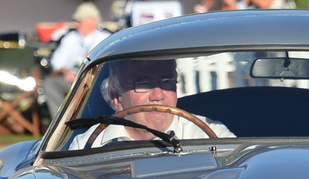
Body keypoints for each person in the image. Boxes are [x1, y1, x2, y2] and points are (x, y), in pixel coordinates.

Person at [76, 58, 233, 147]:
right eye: (143, 84)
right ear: (117, 98)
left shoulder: (209, 135)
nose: (158, 95)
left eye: (166, 82)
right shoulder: (89, 144)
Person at [46, 2, 110, 108]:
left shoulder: (104, 38)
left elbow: (109, 65)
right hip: (72, 81)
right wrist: (66, 72)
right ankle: (62, 122)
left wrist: (87, 76)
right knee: (50, 84)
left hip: (95, 80)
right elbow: (56, 63)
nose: (76, 23)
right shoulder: (70, 38)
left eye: (80, 20)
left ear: (92, 20)